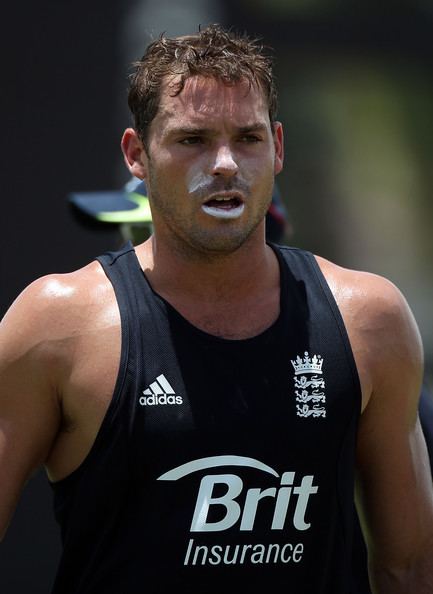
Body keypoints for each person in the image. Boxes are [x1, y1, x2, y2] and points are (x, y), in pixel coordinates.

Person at [0, 24, 432, 594]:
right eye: (193, 139)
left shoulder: (369, 319)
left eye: (248, 138)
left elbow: (409, 567)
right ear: (136, 154)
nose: (226, 163)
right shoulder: (57, 324)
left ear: (278, 147)